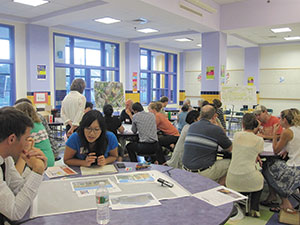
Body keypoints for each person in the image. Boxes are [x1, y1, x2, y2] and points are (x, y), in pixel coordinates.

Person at [0, 107, 47, 222]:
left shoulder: (6, 158)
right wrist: (37, 171)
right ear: (12, 139)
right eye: (26, 139)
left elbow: (17, 188)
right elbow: (15, 212)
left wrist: (32, 169)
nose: (28, 144)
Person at [262, 108, 300, 214]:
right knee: (274, 164)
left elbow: (276, 150)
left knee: (266, 166)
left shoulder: (287, 132)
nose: (279, 121)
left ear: (285, 120)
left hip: (294, 168)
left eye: (280, 118)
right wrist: (287, 150)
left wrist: (274, 135)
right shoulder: (297, 129)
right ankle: (277, 197)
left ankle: (283, 200)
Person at [182, 104, 232, 185]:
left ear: (200, 115)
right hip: (202, 172)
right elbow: (229, 148)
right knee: (231, 163)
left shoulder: (192, 126)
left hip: (185, 169)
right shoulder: (216, 129)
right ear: (215, 116)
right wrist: (217, 125)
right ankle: (217, 189)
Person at [226, 113, 264, 217]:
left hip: (231, 179)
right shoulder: (259, 140)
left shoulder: (236, 135)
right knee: (260, 179)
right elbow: (256, 149)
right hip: (250, 179)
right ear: (256, 124)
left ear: (242, 123)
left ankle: (240, 199)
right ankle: (254, 208)